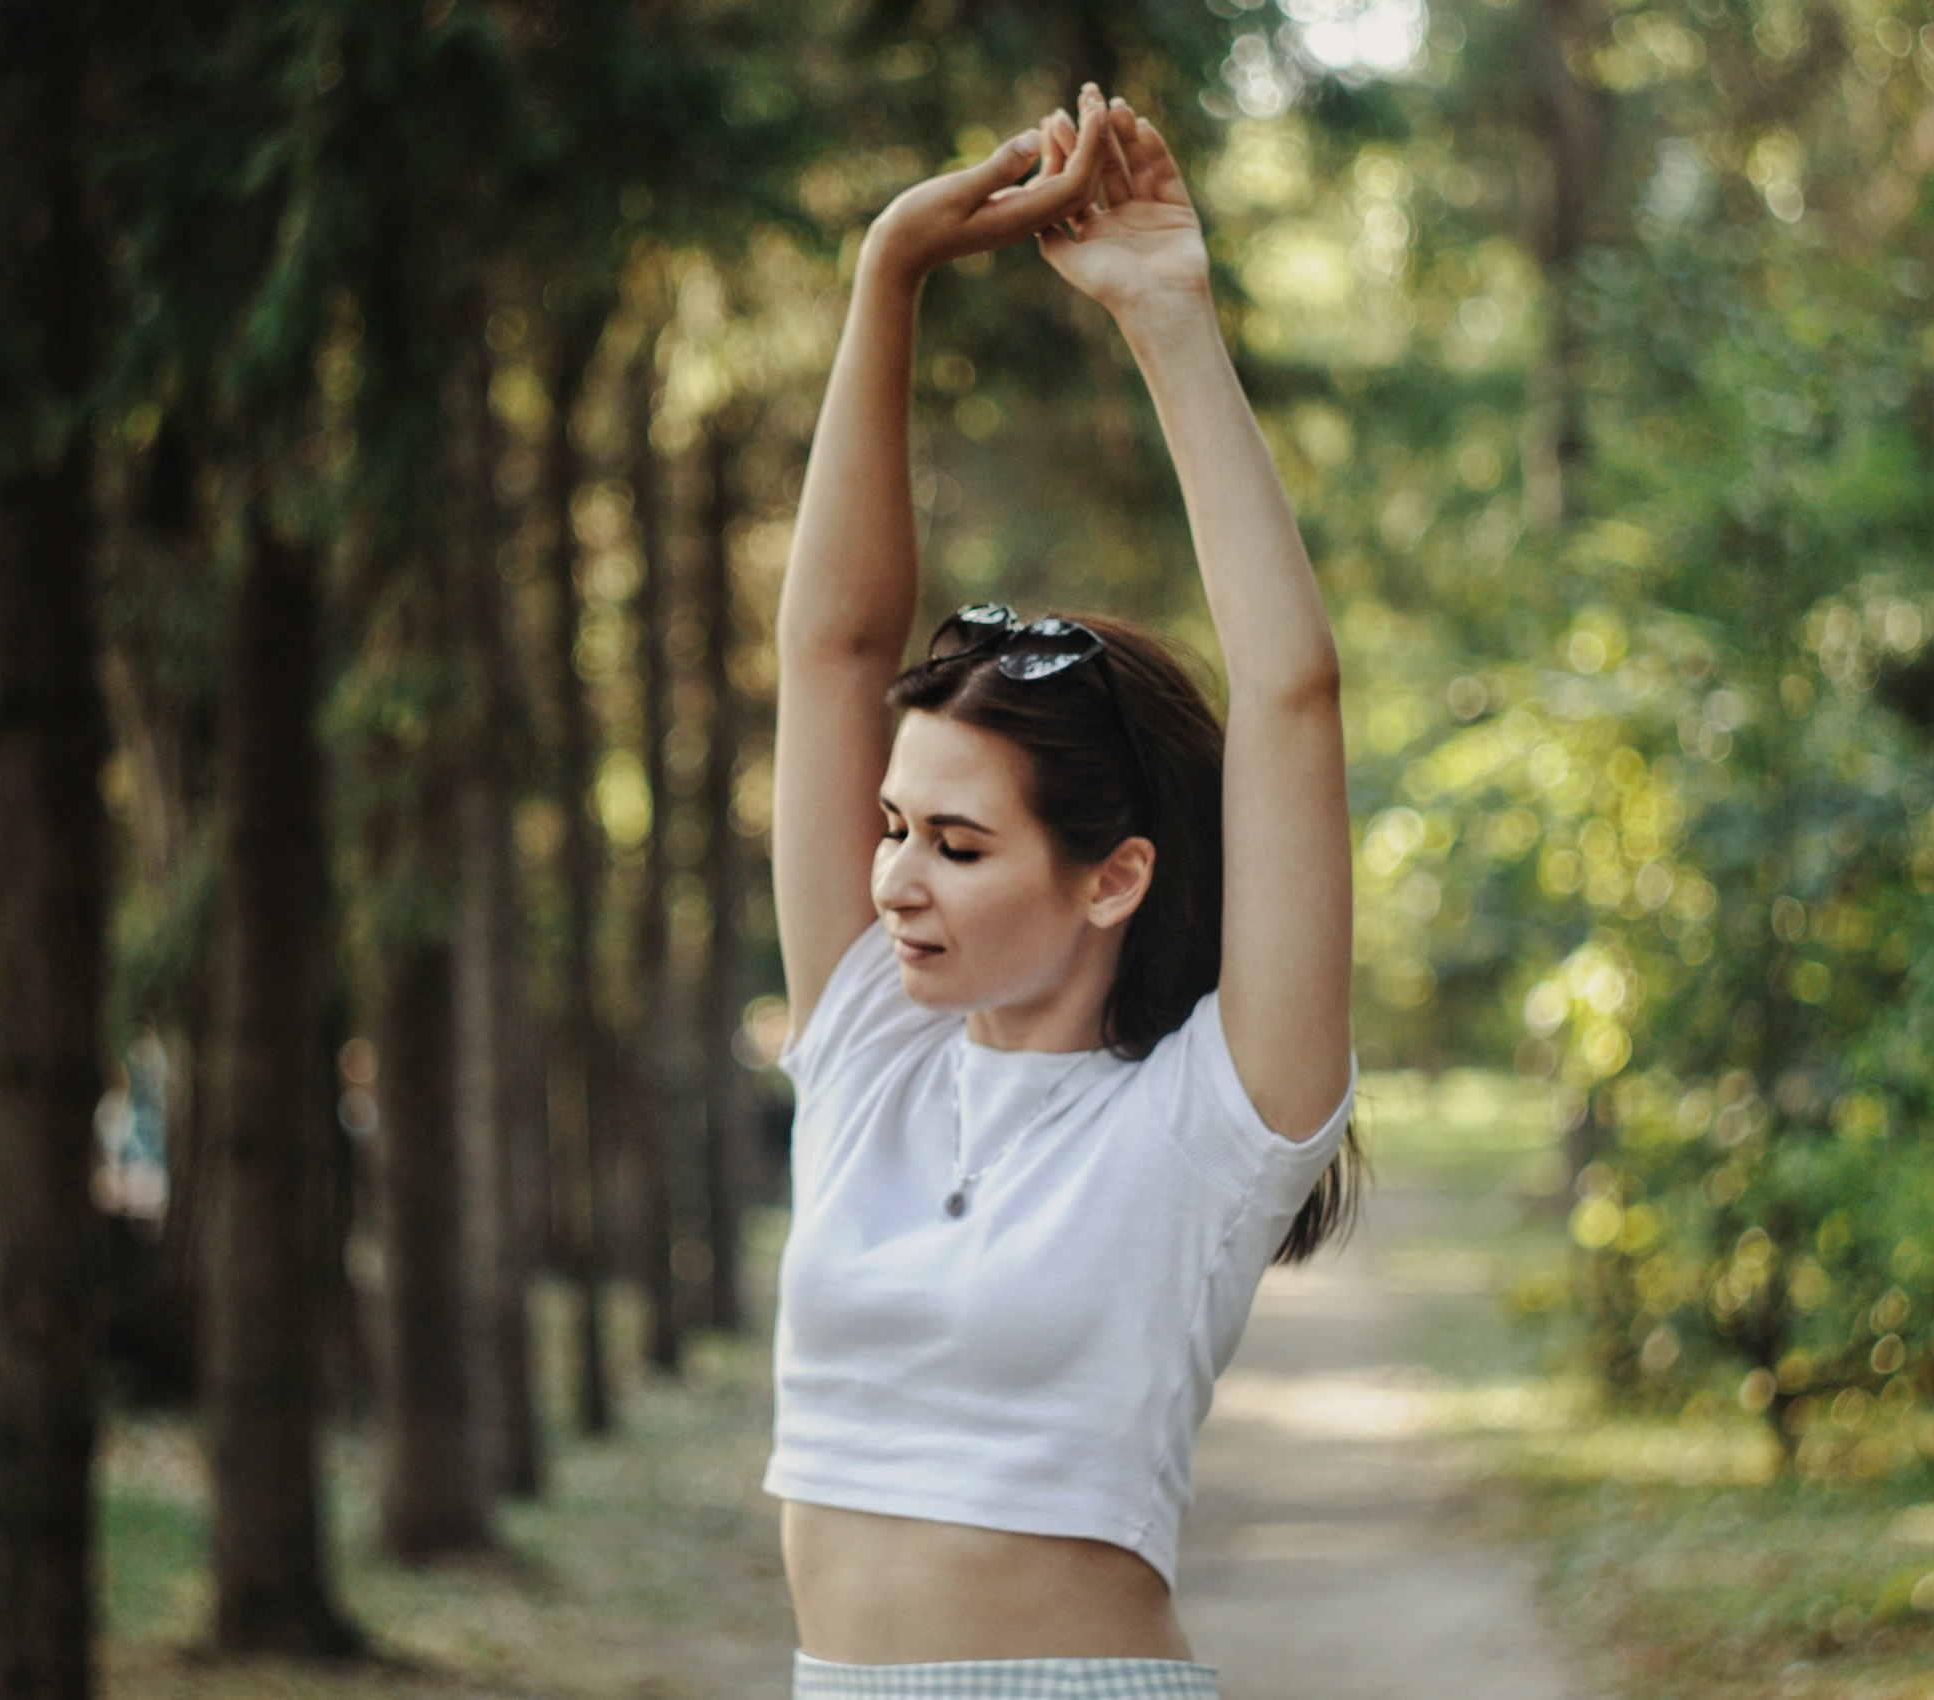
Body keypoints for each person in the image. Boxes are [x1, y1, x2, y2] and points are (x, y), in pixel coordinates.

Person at [767, 81, 1359, 1700]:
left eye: (959, 849)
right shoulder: (873, 1049)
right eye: (893, 827)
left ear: (1115, 877)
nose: (891, 882)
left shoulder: (1211, 1122)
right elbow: (829, 648)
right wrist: (888, 275)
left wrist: (1168, 317)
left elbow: (1292, 694)